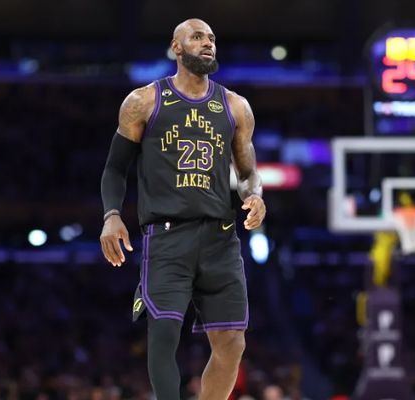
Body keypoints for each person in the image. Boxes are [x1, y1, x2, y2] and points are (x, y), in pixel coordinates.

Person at [100, 18, 266, 400]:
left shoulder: (236, 106)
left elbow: (248, 173)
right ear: (177, 47)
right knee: (164, 333)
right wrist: (111, 215)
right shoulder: (144, 101)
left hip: (220, 237)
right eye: (197, 37)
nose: (208, 43)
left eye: (212, 38)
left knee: (232, 343)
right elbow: (114, 169)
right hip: (168, 236)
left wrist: (255, 195)